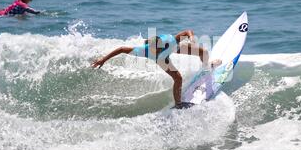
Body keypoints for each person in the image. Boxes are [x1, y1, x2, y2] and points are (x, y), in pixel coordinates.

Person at [91, 31, 220, 108]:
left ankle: (207, 68)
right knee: (178, 78)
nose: (156, 51)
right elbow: (122, 49)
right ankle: (178, 104)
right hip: (162, 60)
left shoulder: (169, 41)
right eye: (154, 49)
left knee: (203, 52)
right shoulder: (144, 51)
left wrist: (192, 39)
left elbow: (187, 31)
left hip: (173, 48)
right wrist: (103, 59)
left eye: (158, 48)